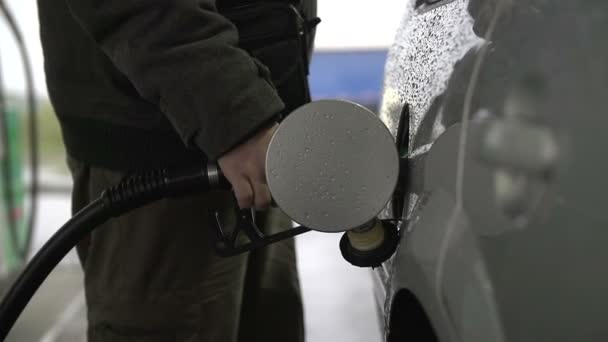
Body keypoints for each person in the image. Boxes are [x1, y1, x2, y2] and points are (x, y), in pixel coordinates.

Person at [36, 0, 317, 340]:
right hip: (167, 153)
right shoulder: (231, 117)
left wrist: (251, 115)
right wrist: (233, 112)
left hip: (253, 135)